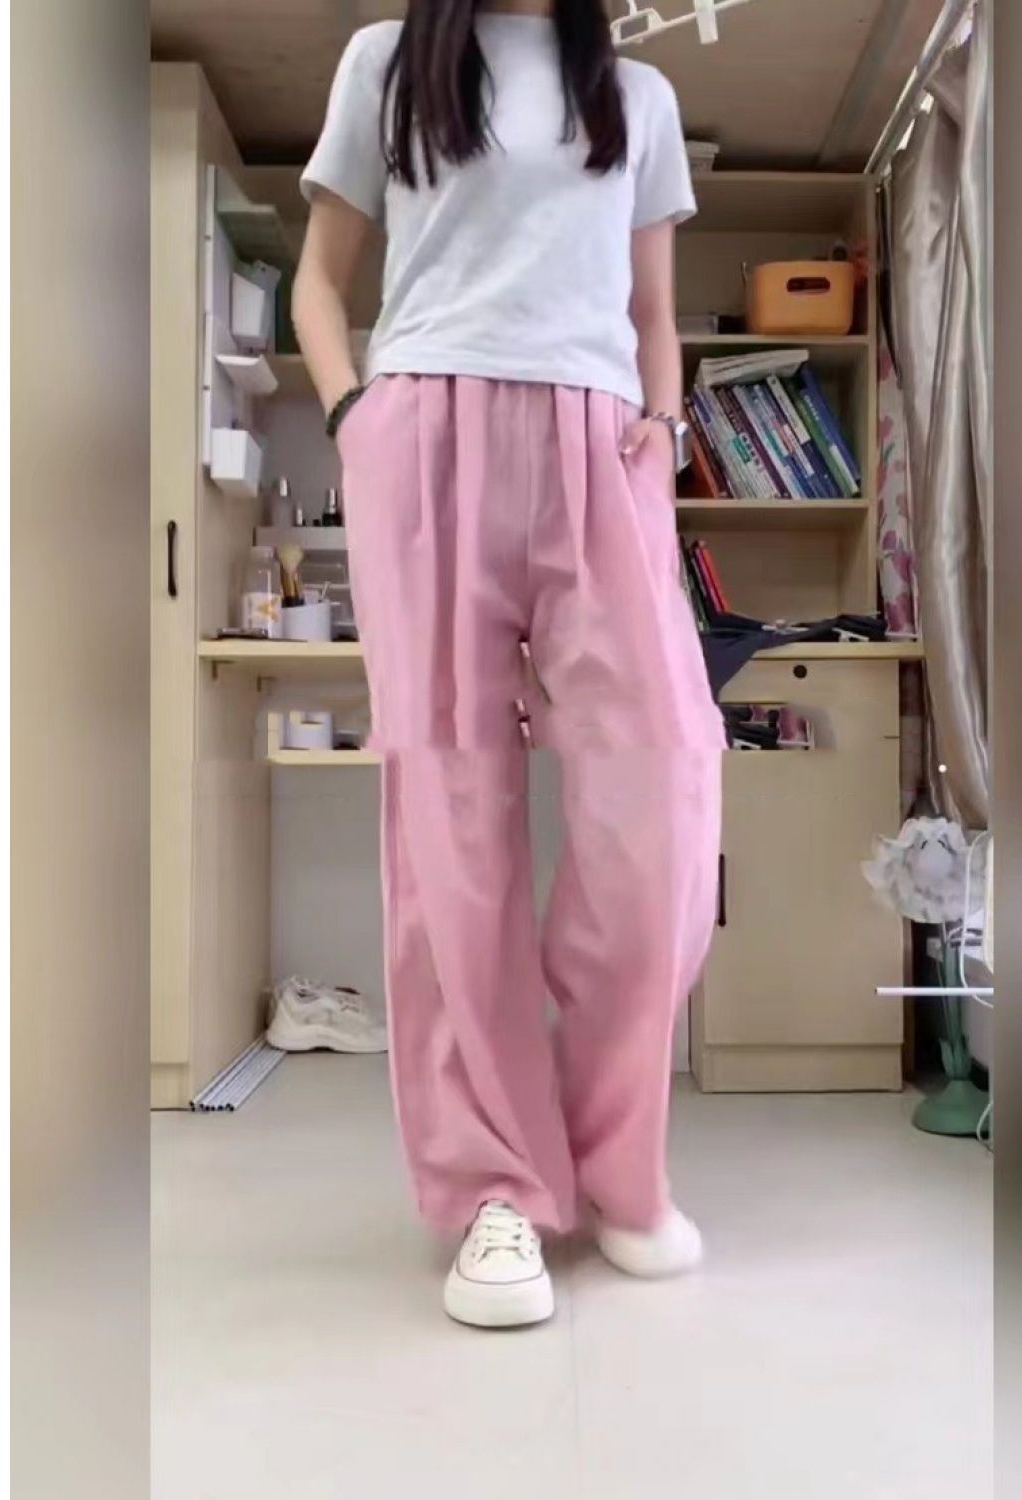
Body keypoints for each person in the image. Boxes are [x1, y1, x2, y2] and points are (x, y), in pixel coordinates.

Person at [292, 0, 724, 1329]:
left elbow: (652, 310)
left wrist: (663, 426)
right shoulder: (388, 61)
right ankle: (495, 1187)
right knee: (451, 825)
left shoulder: (636, 96)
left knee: (661, 798)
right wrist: (357, 419)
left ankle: (617, 1166)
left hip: (604, 446)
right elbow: (321, 279)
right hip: (425, 437)